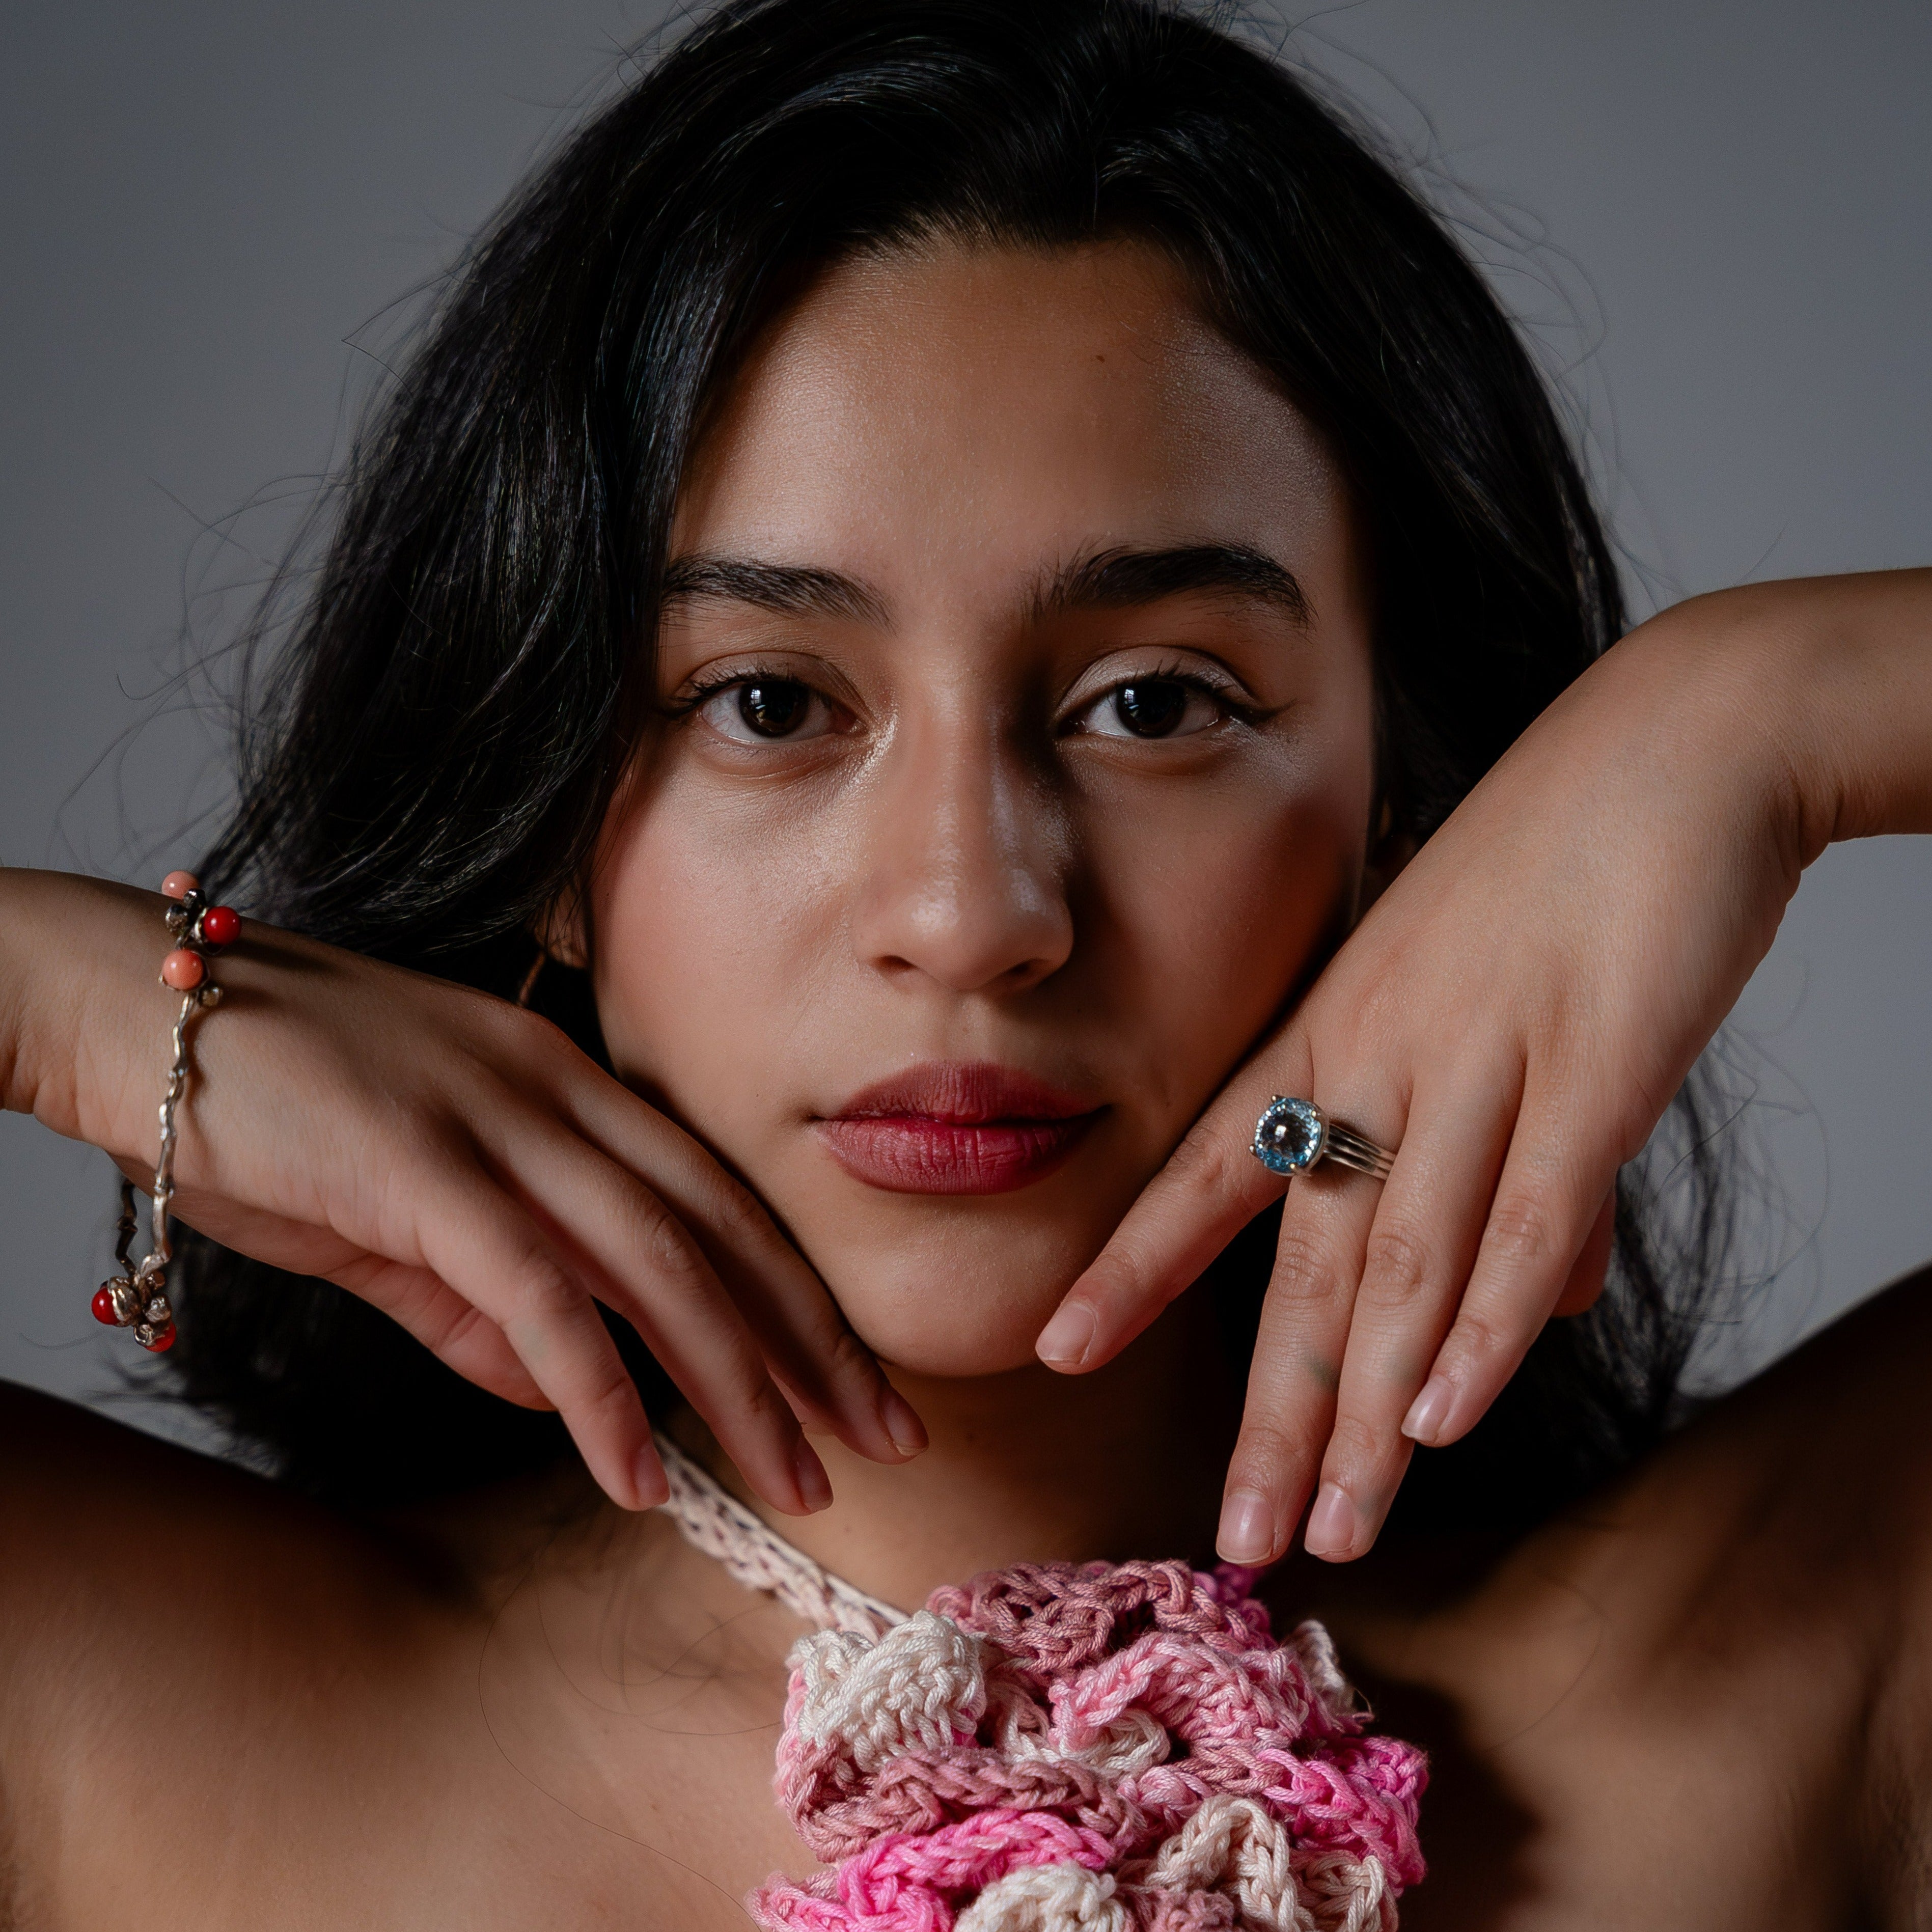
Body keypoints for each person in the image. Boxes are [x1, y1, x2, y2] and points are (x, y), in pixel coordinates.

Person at [1, 0, 1927, 1923]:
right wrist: (79, 1004)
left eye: (1153, 701)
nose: (971, 910)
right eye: (767, 701)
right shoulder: (109, 1683)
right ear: (548, 819)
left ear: (1410, 816)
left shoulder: (1796, 1651)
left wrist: (1758, 710)